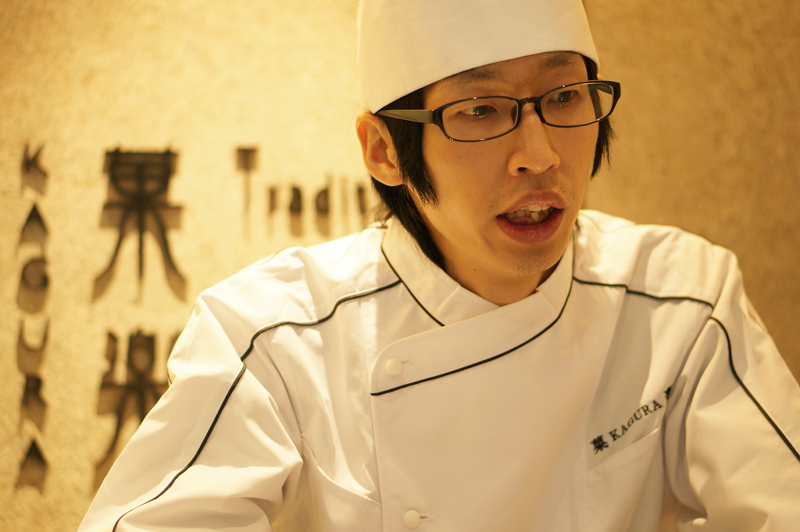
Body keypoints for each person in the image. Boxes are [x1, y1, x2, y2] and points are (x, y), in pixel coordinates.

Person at [79, 0, 800, 530]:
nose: (540, 155)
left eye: (563, 97)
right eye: (481, 110)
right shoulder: (270, 337)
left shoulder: (681, 298)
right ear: (383, 151)